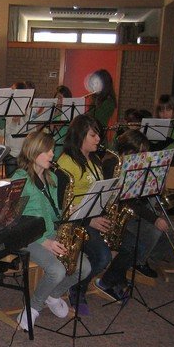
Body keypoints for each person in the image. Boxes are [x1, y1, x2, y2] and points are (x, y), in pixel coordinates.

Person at [11, 131, 91, 330]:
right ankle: (33, 308)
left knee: (84, 267)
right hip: (28, 238)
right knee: (57, 270)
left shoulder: (51, 177)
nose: (52, 155)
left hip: (50, 233)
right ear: (33, 152)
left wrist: (70, 213)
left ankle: (53, 295)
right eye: (47, 151)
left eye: (52, 150)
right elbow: (13, 220)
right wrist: (43, 241)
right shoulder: (20, 179)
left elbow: (54, 212)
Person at [95, 129, 174, 298]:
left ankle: (142, 258)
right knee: (152, 233)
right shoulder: (112, 164)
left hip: (139, 211)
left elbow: (140, 198)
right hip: (122, 214)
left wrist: (156, 185)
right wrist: (154, 218)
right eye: (141, 152)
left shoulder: (140, 166)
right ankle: (136, 262)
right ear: (129, 150)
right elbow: (125, 200)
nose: (144, 156)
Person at [57, 114, 113, 314]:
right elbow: (62, 204)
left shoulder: (95, 159)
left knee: (124, 246)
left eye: (98, 135)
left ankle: (92, 279)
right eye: (93, 135)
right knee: (103, 257)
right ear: (80, 136)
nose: (98, 139)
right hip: (76, 222)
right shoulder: (66, 163)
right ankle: (76, 287)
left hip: (92, 217)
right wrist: (90, 220)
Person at [0, 82, 31, 177]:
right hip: (11, 154)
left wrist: (25, 116)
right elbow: (1, 132)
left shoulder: (29, 109)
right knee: (12, 181)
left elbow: (33, 131)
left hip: (26, 154)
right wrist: (13, 122)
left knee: (26, 181)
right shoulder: (5, 109)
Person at [88, 69, 117, 137]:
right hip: (92, 134)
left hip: (98, 135)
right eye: (93, 83)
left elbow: (94, 118)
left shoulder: (109, 102)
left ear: (104, 84)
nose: (94, 86)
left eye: (96, 83)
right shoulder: (96, 98)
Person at [51, 85, 72, 159]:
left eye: (61, 98)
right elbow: (52, 130)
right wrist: (56, 112)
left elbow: (55, 129)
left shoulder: (69, 113)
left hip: (63, 147)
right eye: (58, 98)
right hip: (53, 145)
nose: (59, 100)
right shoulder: (52, 111)